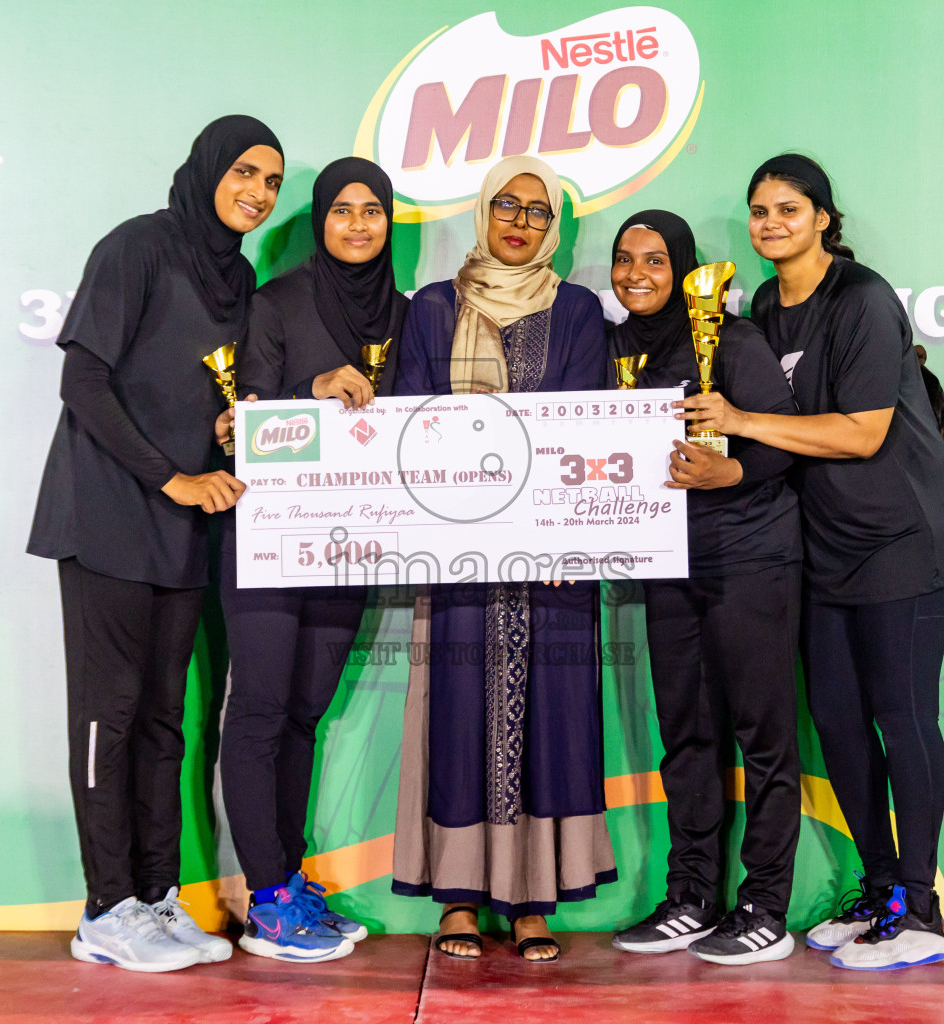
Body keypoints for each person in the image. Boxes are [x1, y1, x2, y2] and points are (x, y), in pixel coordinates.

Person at [680, 154, 944, 971]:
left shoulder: (862, 298)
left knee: (902, 715)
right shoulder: (767, 304)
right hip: (824, 544)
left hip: (903, 540)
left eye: (789, 209)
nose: (772, 223)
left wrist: (738, 417)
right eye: (760, 211)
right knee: (839, 722)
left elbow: (861, 432)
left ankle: (922, 910)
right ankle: (880, 892)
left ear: (823, 220)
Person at [26, 116, 282, 973]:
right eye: (245, 171)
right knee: (111, 715)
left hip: (185, 532)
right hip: (106, 518)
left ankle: (155, 897)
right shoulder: (138, 246)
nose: (258, 192)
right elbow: (83, 380)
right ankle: (104, 910)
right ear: (207, 168)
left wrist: (219, 436)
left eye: (273, 182)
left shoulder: (238, 279)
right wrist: (168, 475)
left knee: (169, 721)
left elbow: (198, 393)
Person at [389, 155, 611, 963]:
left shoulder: (580, 310)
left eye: (537, 212)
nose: (519, 221)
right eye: (505, 205)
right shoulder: (432, 309)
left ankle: (532, 899)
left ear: (554, 227)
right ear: (482, 211)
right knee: (455, 713)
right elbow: (409, 418)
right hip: (458, 553)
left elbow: (584, 426)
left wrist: (557, 531)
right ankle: (457, 899)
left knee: (551, 719)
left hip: (550, 556)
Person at [219, 157, 409, 963]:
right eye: (342, 210)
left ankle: (288, 880)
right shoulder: (277, 303)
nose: (359, 224)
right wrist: (314, 384)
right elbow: (245, 415)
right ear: (320, 219)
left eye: (373, 211)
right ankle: (265, 900)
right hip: (270, 540)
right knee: (261, 711)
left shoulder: (406, 315)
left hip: (351, 545)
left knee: (304, 715)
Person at [602, 211, 804, 965]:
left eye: (655, 260)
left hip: (751, 559)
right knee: (685, 735)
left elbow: (785, 447)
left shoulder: (736, 341)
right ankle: (691, 895)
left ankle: (764, 906)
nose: (636, 274)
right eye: (624, 260)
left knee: (763, 737)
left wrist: (733, 471)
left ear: (684, 267)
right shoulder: (616, 348)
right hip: (666, 565)